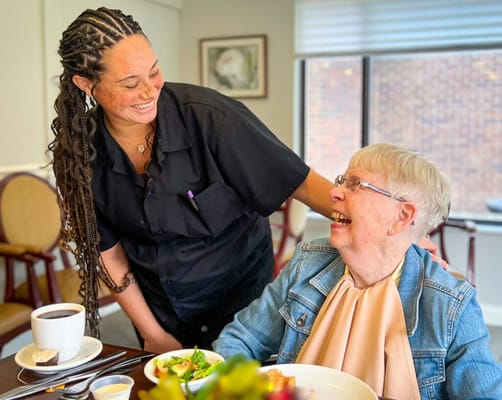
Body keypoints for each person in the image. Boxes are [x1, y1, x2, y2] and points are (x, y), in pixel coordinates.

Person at [48, 7, 333, 353]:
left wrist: (380, 225)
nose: (149, 90)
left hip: (244, 307)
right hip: (161, 314)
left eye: (154, 72)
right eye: (130, 83)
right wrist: (152, 333)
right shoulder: (79, 156)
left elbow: (300, 182)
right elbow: (109, 254)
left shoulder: (210, 117)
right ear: (86, 85)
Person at [213, 143, 502, 399]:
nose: (334, 192)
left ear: (402, 216)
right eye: (342, 181)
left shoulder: (450, 305)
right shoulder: (307, 264)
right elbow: (238, 341)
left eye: (355, 184)